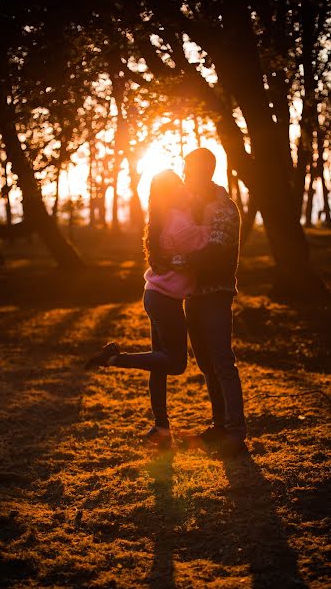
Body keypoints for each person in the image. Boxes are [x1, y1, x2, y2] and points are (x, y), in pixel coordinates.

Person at [84, 169, 210, 449]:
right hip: (165, 301)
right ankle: (115, 359)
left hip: (155, 296)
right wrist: (207, 212)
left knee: (159, 362)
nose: (185, 187)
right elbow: (205, 241)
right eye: (180, 184)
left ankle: (161, 428)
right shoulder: (180, 222)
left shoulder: (161, 219)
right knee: (175, 363)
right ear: (175, 190)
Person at [175, 148, 247, 457]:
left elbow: (216, 250)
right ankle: (219, 425)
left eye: (190, 171)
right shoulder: (193, 206)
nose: (186, 176)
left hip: (216, 293)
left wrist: (181, 259)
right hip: (194, 294)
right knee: (206, 363)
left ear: (205, 171)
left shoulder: (223, 208)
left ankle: (235, 433)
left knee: (221, 361)